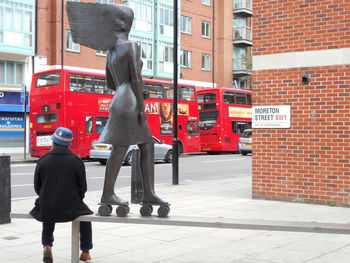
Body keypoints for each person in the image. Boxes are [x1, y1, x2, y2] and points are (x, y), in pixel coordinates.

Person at [67, 2, 167, 208]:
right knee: (147, 144)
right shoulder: (130, 46)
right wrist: (141, 106)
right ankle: (147, 193)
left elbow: (111, 83)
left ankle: (108, 193)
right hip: (130, 100)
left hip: (118, 99)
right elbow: (137, 80)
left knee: (120, 147)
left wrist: (130, 86)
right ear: (125, 25)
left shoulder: (110, 51)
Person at [30, 127, 93, 263]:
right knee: (86, 217)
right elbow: (83, 187)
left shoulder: (43, 160)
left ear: (53, 142)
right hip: (71, 206)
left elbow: (37, 187)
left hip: (48, 206)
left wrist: (46, 196)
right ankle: (85, 250)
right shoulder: (76, 161)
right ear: (68, 144)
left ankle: (47, 245)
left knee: (47, 206)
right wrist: (76, 199)